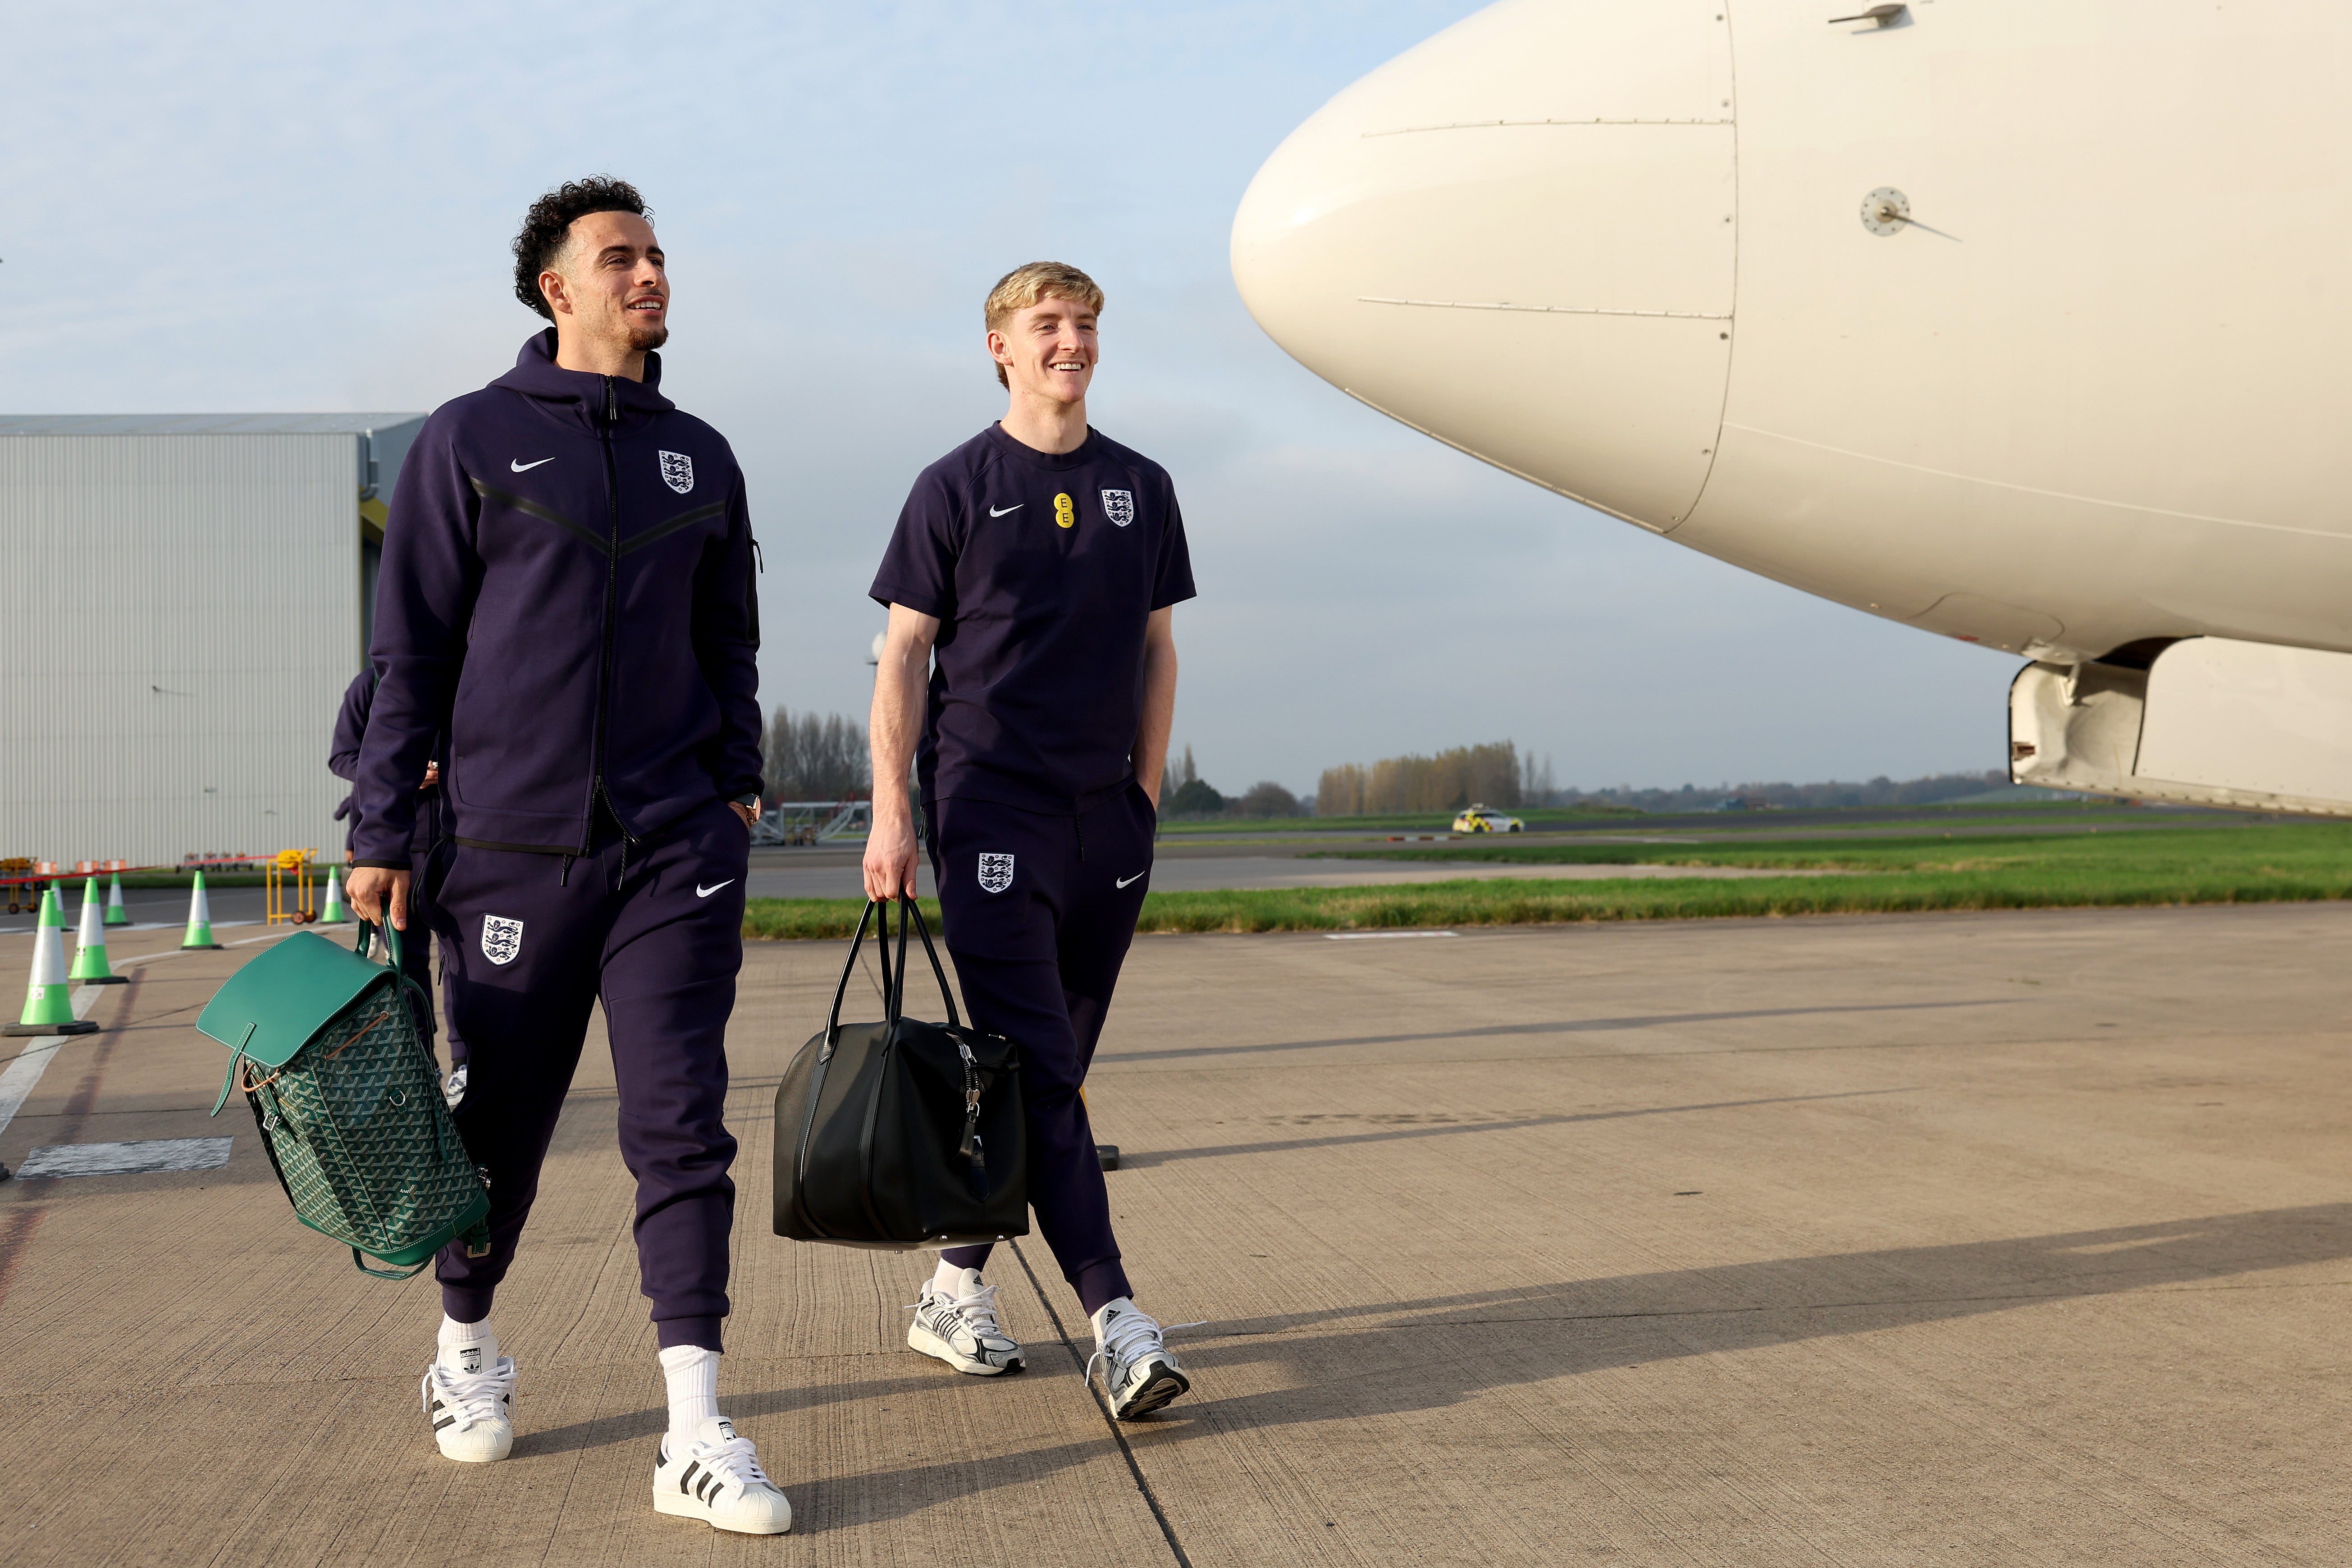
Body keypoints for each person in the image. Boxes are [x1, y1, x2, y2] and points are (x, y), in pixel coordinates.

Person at [344, 177, 787, 1536]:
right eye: (621, 257)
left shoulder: (699, 455)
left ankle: (696, 1428)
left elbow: (730, 639)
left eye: (655, 253)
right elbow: (407, 650)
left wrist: (736, 787)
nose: (649, 273)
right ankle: (466, 1351)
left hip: (670, 851)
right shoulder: (470, 441)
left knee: (681, 1129)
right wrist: (378, 830)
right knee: (498, 1146)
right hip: (505, 852)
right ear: (556, 288)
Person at [864, 261, 1196, 1420]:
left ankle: (953, 1287)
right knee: (1043, 1071)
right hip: (989, 814)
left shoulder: (1141, 488)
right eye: (1047, 324)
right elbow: (903, 656)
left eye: (1087, 323)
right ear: (999, 348)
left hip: (1106, 823)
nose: (1073, 341)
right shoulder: (953, 486)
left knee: (1047, 1076)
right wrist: (894, 811)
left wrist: (1146, 793)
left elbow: (1159, 649)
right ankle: (1118, 1321)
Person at [327, 669, 457, 1095]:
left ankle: (466, 1062)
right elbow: (342, 756)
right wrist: (401, 770)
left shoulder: (466, 675)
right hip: (400, 849)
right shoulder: (371, 686)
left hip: (465, 841)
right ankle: (422, 1067)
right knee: (406, 964)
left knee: (465, 960)